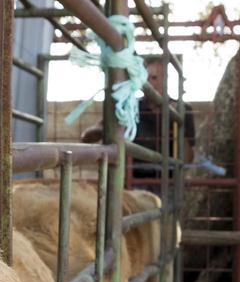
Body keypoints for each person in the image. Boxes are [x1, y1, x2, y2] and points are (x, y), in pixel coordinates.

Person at [80, 56, 195, 193]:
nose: (149, 84)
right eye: (145, 79)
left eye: (154, 78)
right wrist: (103, 130)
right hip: (132, 181)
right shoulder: (130, 106)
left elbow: (187, 159)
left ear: (166, 80)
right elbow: (87, 137)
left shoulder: (181, 109)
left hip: (167, 183)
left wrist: (175, 121)